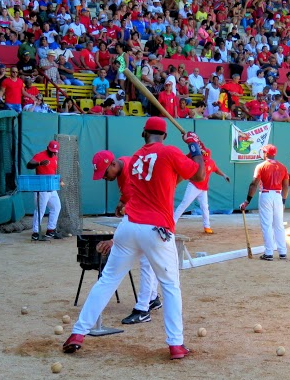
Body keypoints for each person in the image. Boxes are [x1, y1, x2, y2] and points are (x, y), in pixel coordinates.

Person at [63, 118, 205, 360]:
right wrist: (194, 148)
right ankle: (176, 345)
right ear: (165, 135)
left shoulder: (137, 156)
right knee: (170, 286)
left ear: (143, 133)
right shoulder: (169, 151)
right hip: (155, 228)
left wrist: (193, 153)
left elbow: (173, 176)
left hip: (128, 227)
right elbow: (200, 175)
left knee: (107, 280)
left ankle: (78, 333)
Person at [90, 150, 162, 325]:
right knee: (148, 263)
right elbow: (127, 194)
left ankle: (143, 309)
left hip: (151, 219)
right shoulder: (123, 163)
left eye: (105, 173)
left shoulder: (130, 172)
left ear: (113, 164)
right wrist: (122, 202)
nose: (105, 178)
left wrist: (115, 240)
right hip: (145, 219)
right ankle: (152, 298)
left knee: (147, 263)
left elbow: (135, 212)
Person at [239, 145, 289, 261]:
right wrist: (283, 201)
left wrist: (247, 201)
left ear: (266, 153)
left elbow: (254, 184)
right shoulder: (282, 167)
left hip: (266, 194)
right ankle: (282, 252)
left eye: (263, 152)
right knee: (279, 225)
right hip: (278, 195)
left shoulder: (261, 166)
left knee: (267, 225)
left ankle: (269, 253)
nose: (262, 153)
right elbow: (286, 185)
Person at [174, 148, 230, 234]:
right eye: (203, 159)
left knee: (205, 207)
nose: (204, 161)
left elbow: (216, 170)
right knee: (184, 205)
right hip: (194, 186)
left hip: (203, 188)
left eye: (205, 159)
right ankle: (172, 224)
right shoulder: (195, 162)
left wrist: (224, 175)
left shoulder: (211, 162)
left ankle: (207, 227)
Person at [26, 141, 63, 241]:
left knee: (56, 207)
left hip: (51, 188)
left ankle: (50, 230)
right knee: (40, 210)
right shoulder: (40, 155)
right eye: (51, 151)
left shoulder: (55, 157)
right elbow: (28, 165)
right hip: (41, 188)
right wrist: (39, 163)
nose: (53, 153)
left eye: (55, 152)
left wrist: (59, 180)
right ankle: (35, 232)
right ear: (47, 148)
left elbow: (53, 171)